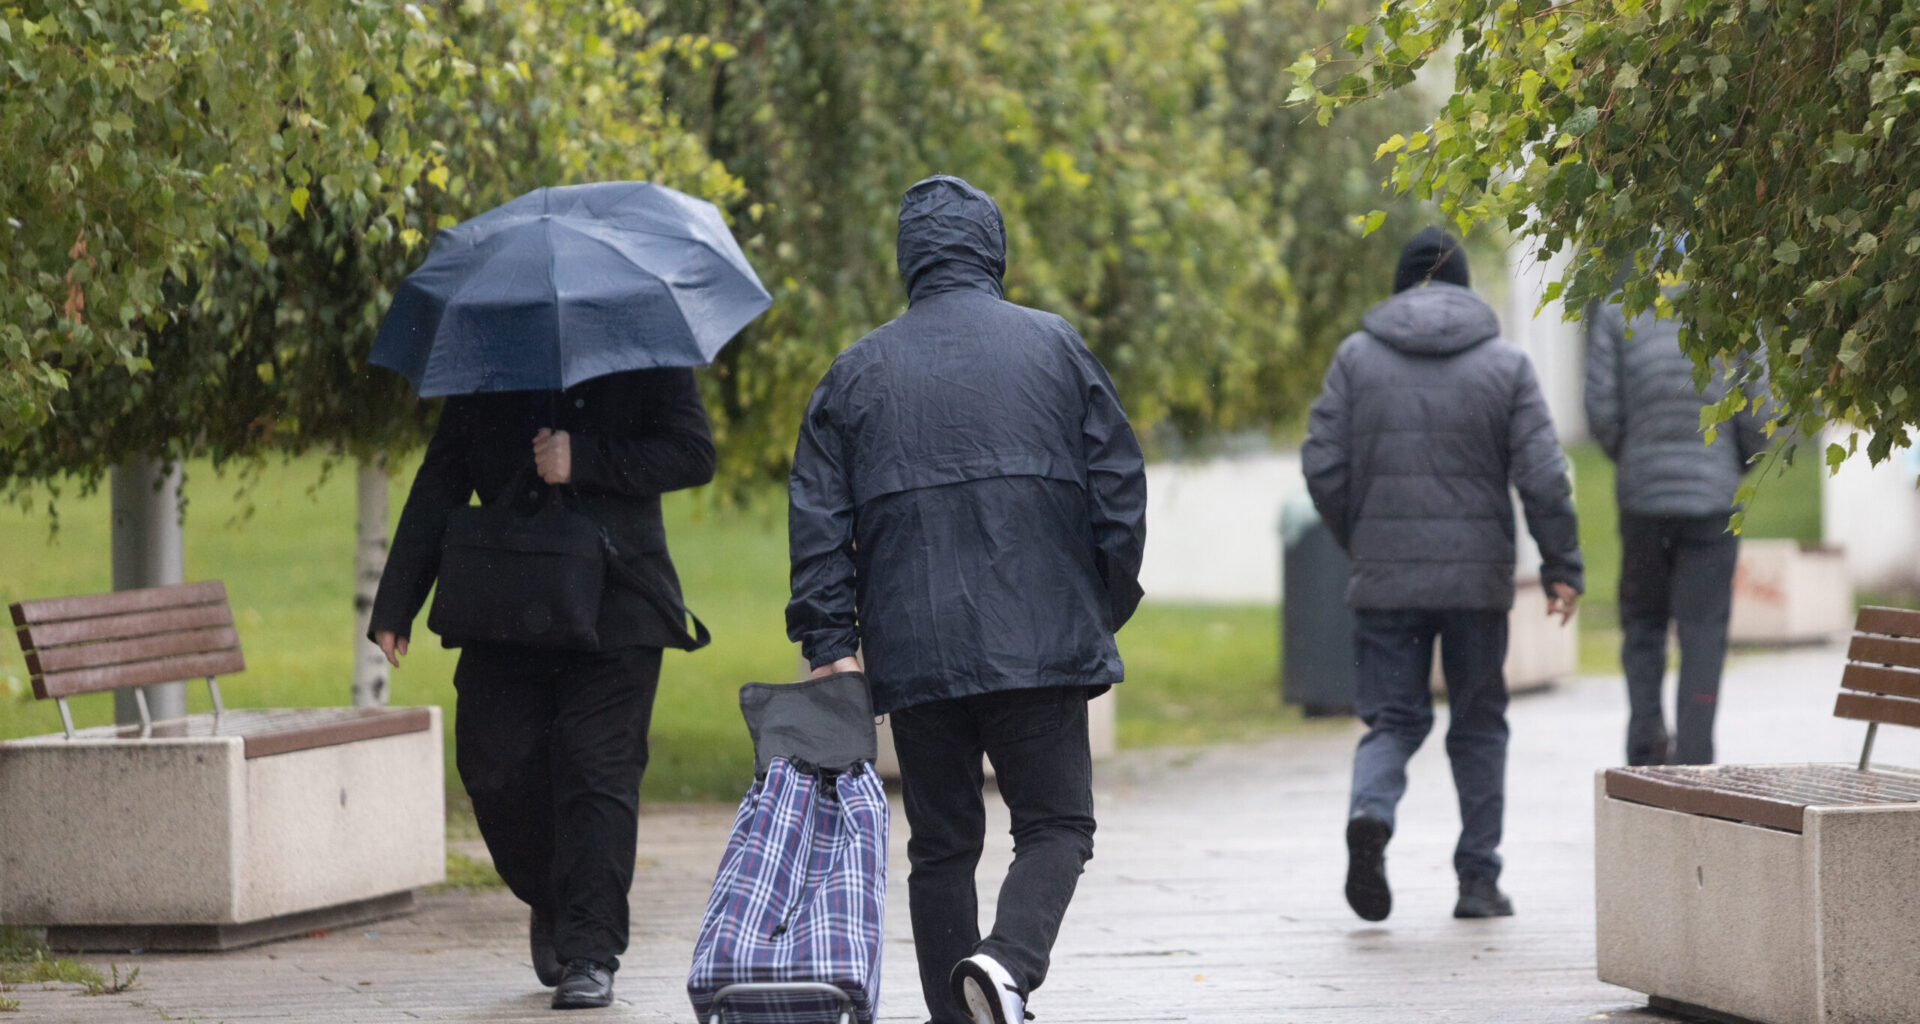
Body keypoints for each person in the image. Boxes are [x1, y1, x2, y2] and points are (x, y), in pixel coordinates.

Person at [786, 175, 1147, 1024]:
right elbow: (1120, 491)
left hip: (916, 647)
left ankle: (964, 1008)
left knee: (941, 846)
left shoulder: (855, 372)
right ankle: (1006, 963)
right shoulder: (1055, 348)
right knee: (1056, 824)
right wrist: (1095, 602)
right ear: (992, 249)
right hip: (1042, 638)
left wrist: (830, 637)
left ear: (909, 260)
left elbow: (815, 518)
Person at [369, 368, 714, 1010]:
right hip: (509, 603)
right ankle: (555, 896)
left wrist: (581, 458)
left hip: (620, 606)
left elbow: (693, 453)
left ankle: (591, 950)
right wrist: (397, 600)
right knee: (493, 763)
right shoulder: (491, 352)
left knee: (597, 770)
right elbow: (444, 474)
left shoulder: (641, 345)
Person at [1302, 226, 1583, 923]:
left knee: (1392, 719)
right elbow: (1545, 477)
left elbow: (1321, 463)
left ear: (1400, 288)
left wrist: (1361, 537)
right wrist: (1560, 564)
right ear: (1462, 286)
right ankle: (1478, 880)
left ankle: (1371, 812)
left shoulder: (1354, 359)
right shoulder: (1506, 364)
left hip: (1386, 580)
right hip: (1475, 584)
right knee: (1480, 724)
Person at [1584, 288, 1768, 766]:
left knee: (1643, 622)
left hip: (1643, 500)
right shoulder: (1735, 309)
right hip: (1712, 500)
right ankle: (1694, 756)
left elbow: (1602, 411)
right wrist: (1728, 466)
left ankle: (1645, 743)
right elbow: (1758, 412)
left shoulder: (1617, 311)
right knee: (1703, 629)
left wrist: (1636, 458)